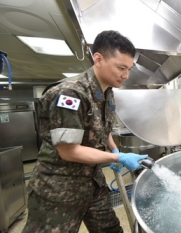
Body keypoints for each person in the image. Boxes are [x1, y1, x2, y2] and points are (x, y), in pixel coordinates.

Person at [22, 30, 147, 233]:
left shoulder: (106, 92)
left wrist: (114, 149)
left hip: (93, 185)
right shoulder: (70, 94)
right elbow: (68, 151)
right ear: (98, 59)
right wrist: (119, 158)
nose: (126, 75)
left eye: (129, 69)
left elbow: (100, 128)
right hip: (58, 190)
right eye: (121, 68)